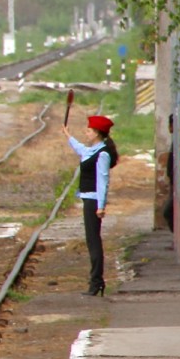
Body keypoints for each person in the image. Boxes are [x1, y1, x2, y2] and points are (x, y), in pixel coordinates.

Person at [62, 114, 119, 296]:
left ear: (96, 133)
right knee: (91, 240)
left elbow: (103, 181)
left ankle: (96, 282)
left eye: (88, 130)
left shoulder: (102, 154)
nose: (85, 133)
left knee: (93, 241)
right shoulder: (93, 150)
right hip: (89, 199)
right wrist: (68, 136)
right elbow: (81, 150)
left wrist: (101, 206)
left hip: (94, 201)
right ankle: (96, 281)